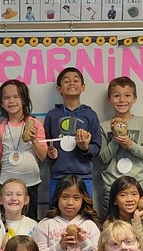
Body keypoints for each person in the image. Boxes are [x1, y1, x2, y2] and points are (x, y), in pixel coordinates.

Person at [43, 67, 101, 201]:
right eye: (66, 81)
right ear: (59, 89)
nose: (72, 83)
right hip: (58, 175)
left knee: (85, 215)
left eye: (76, 80)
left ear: (83, 87)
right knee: (55, 215)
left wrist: (85, 147)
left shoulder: (90, 115)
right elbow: (45, 146)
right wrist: (50, 153)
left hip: (83, 175)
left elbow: (97, 148)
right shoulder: (52, 115)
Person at [98, 77, 143, 215]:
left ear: (135, 98)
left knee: (137, 228)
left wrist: (130, 144)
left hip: (136, 188)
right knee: (110, 229)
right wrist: (115, 140)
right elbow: (103, 158)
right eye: (116, 96)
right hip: (112, 187)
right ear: (109, 99)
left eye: (127, 95)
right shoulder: (104, 126)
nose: (122, 100)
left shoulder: (142, 122)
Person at [0, 79, 47, 221]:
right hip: (6, 183)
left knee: (30, 220)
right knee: (7, 221)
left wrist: (33, 139)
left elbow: (43, 156)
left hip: (30, 183)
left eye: (16, 96)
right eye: (6, 98)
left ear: (24, 100)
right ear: (1, 103)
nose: (11, 101)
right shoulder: (0, 129)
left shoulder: (35, 124)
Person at [104, 174, 143, 249]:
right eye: (123, 195)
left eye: (134, 194)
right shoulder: (109, 223)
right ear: (114, 200)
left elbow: (139, 246)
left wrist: (136, 218)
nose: (129, 199)